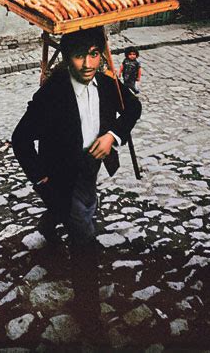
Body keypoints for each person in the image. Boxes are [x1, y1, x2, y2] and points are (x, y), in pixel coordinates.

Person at [12, 27, 141, 332]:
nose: (87, 64)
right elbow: (20, 139)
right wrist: (42, 181)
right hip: (59, 173)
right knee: (84, 236)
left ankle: (48, 225)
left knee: (72, 209)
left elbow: (133, 107)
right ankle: (87, 310)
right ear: (68, 58)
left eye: (94, 54)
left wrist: (112, 136)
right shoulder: (52, 94)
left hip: (91, 165)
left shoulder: (108, 85)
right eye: (79, 55)